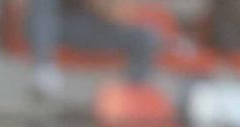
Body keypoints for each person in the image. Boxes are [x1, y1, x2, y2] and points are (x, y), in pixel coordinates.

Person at [29, 0, 161, 95]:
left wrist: (110, 8)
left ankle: (130, 89)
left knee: (146, 37)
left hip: (95, 26)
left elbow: (120, 13)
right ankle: (44, 67)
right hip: (58, 25)